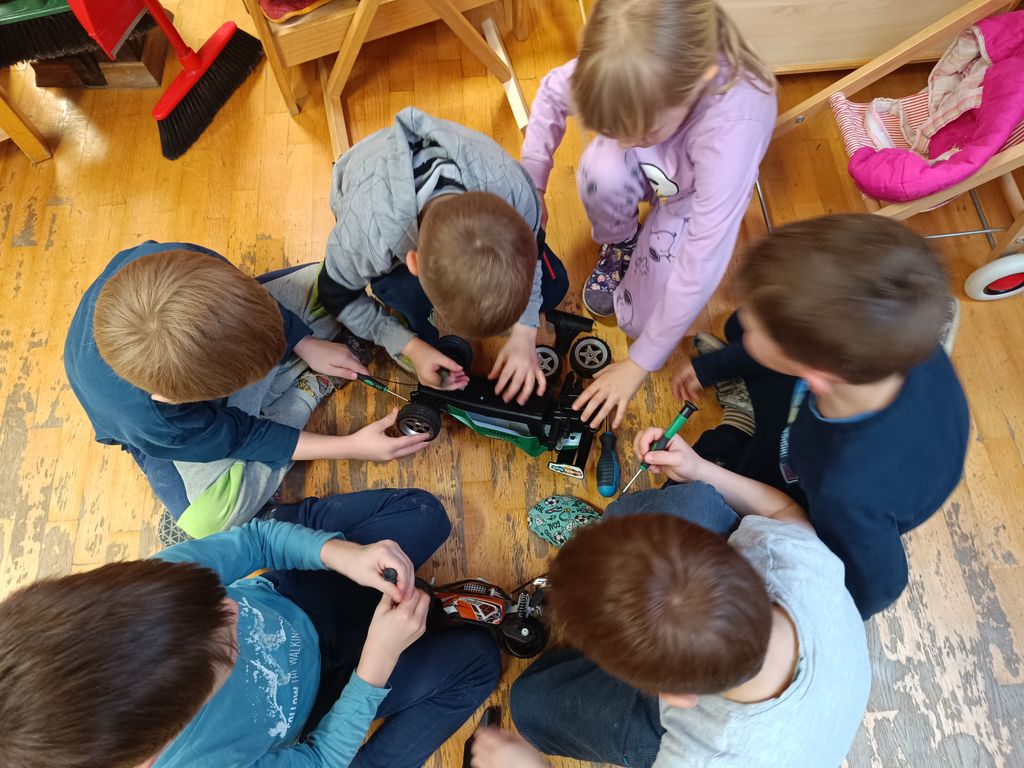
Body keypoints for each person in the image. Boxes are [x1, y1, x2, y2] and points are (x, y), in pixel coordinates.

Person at [0, 489, 501, 768]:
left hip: (298, 601)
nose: (234, 607)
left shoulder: (149, 590)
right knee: (479, 660)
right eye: (225, 644)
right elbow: (320, 757)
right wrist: (374, 668)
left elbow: (257, 543)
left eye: (213, 597)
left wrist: (341, 555)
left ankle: (295, 516)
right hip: (324, 703)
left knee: (423, 514)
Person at [471, 432, 870, 768]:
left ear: (673, 698)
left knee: (530, 706)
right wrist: (700, 469)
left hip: (753, 736)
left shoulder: (700, 758)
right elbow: (783, 510)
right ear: (742, 562)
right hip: (814, 685)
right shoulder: (793, 563)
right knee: (689, 501)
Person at [673, 214, 970, 618]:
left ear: (815, 375)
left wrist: (815, 620)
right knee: (738, 327)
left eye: (763, 331)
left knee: (701, 484)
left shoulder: (842, 487)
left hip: (815, 478)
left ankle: (741, 422)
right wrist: (714, 366)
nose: (749, 318)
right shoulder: (899, 343)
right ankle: (754, 386)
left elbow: (878, 585)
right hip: (849, 427)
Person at [64, 242, 430, 546]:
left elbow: (258, 301)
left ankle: (289, 369)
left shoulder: (184, 262)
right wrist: (351, 447)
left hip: (217, 353)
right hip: (181, 437)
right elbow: (245, 436)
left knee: (331, 284)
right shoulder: (158, 420)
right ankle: (306, 388)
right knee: (206, 519)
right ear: (173, 399)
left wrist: (302, 342)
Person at [520, 0, 777, 428]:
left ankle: (641, 257)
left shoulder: (733, 127)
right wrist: (534, 185)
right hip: (665, 169)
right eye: (615, 130)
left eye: (641, 131)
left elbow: (704, 258)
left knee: (640, 323)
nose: (625, 143)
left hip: (690, 198)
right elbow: (550, 92)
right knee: (600, 170)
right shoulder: (624, 61)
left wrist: (641, 361)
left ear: (698, 81)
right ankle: (622, 243)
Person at [319, 107, 569, 406]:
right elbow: (334, 294)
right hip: (369, 181)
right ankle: (412, 320)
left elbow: (535, 250)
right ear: (413, 262)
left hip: (453, 184)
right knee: (405, 297)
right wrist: (408, 345)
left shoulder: (514, 188)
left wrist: (525, 332)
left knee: (555, 287)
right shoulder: (365, 235)